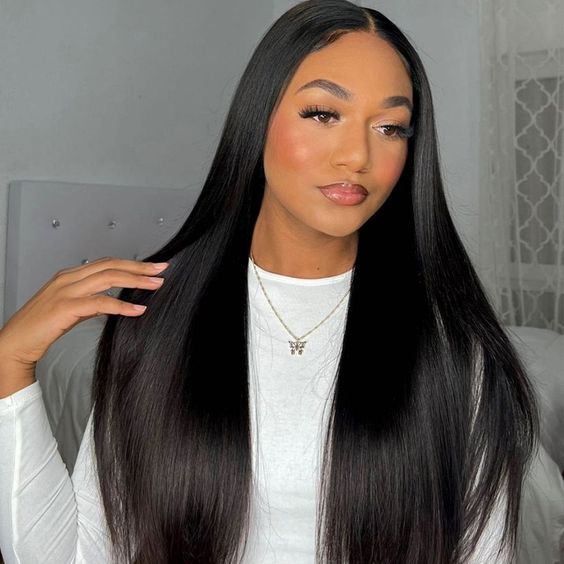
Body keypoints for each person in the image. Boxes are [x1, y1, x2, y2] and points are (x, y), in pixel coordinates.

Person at [0, 0, 563, 562]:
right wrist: (9, 361)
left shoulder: (456, 351)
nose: (357, 156)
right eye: (323, 114)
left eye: (390, 127)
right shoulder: (158, 323)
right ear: (259, 117)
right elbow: (80, 555)